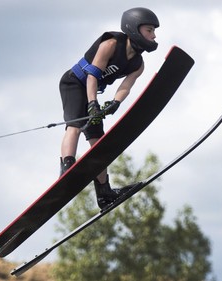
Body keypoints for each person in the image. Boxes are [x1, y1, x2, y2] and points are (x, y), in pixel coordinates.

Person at [59, 7, 159, 209]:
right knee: (76, 125)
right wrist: (92, 104)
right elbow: (92, 76)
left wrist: (115, 103)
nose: (154, 35)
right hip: (75, 83)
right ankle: (67, 169)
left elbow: (125, 87)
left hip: (92, 91)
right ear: (134, 28)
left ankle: (104, 191)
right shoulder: (111, 44)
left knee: (99, 143)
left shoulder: (138, 64)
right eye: (149, 30)